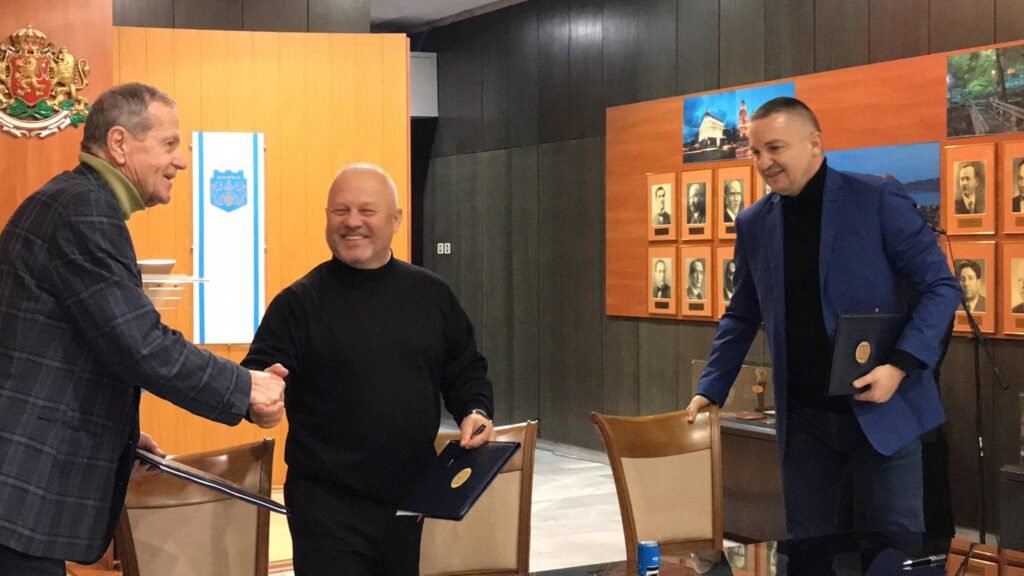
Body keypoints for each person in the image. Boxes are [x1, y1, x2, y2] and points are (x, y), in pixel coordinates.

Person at [0, 83, 286, 574]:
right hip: (18, 489)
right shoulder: (82, 210)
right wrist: (246, 388)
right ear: (119, 144)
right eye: (169, 143)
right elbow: (141, 345)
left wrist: (121, 437)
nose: (181, 161)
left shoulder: (74, 203)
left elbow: (71, 352)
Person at [686, 97, 959, 539]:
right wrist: (711, 389)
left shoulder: (875, 199)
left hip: (884, 412)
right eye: (756, 152)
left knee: (893, 551)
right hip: (804, 425)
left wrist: (899, 366)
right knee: (808, 550)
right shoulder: (754, 223)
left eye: (775, 148)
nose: (764, 162)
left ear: (815, 143)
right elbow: (741, 314)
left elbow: (941, 288)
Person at [242, 163, 495, 575]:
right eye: (340, 211)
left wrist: (476, 409)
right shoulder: (298, 304)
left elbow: (464, 367)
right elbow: (257, 376)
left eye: (367, 210)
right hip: (326, 508)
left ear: (396, 219)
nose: (352, 222)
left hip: (416, 497)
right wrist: (259, 403)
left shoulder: (432, 295)